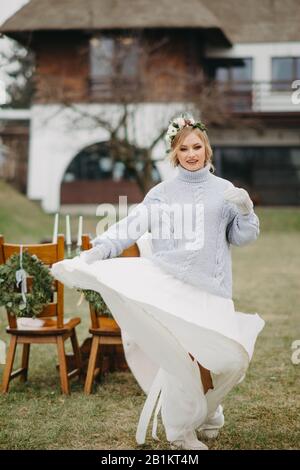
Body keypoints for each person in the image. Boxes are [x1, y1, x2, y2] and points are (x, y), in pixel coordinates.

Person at [51, 114, 265, 450]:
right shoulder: (161, 193)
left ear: (207, 150)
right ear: (175, 153)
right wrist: (95, 253)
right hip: (171, 286)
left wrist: (246, 211)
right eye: (184, 148)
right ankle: (180, 432)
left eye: (197, 147)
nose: (191, 154)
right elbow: (129, 228)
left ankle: (209, 410)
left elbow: (242, 238)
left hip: (214, 288)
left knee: (228, 359)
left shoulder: (225, 190)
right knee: (183, 361)